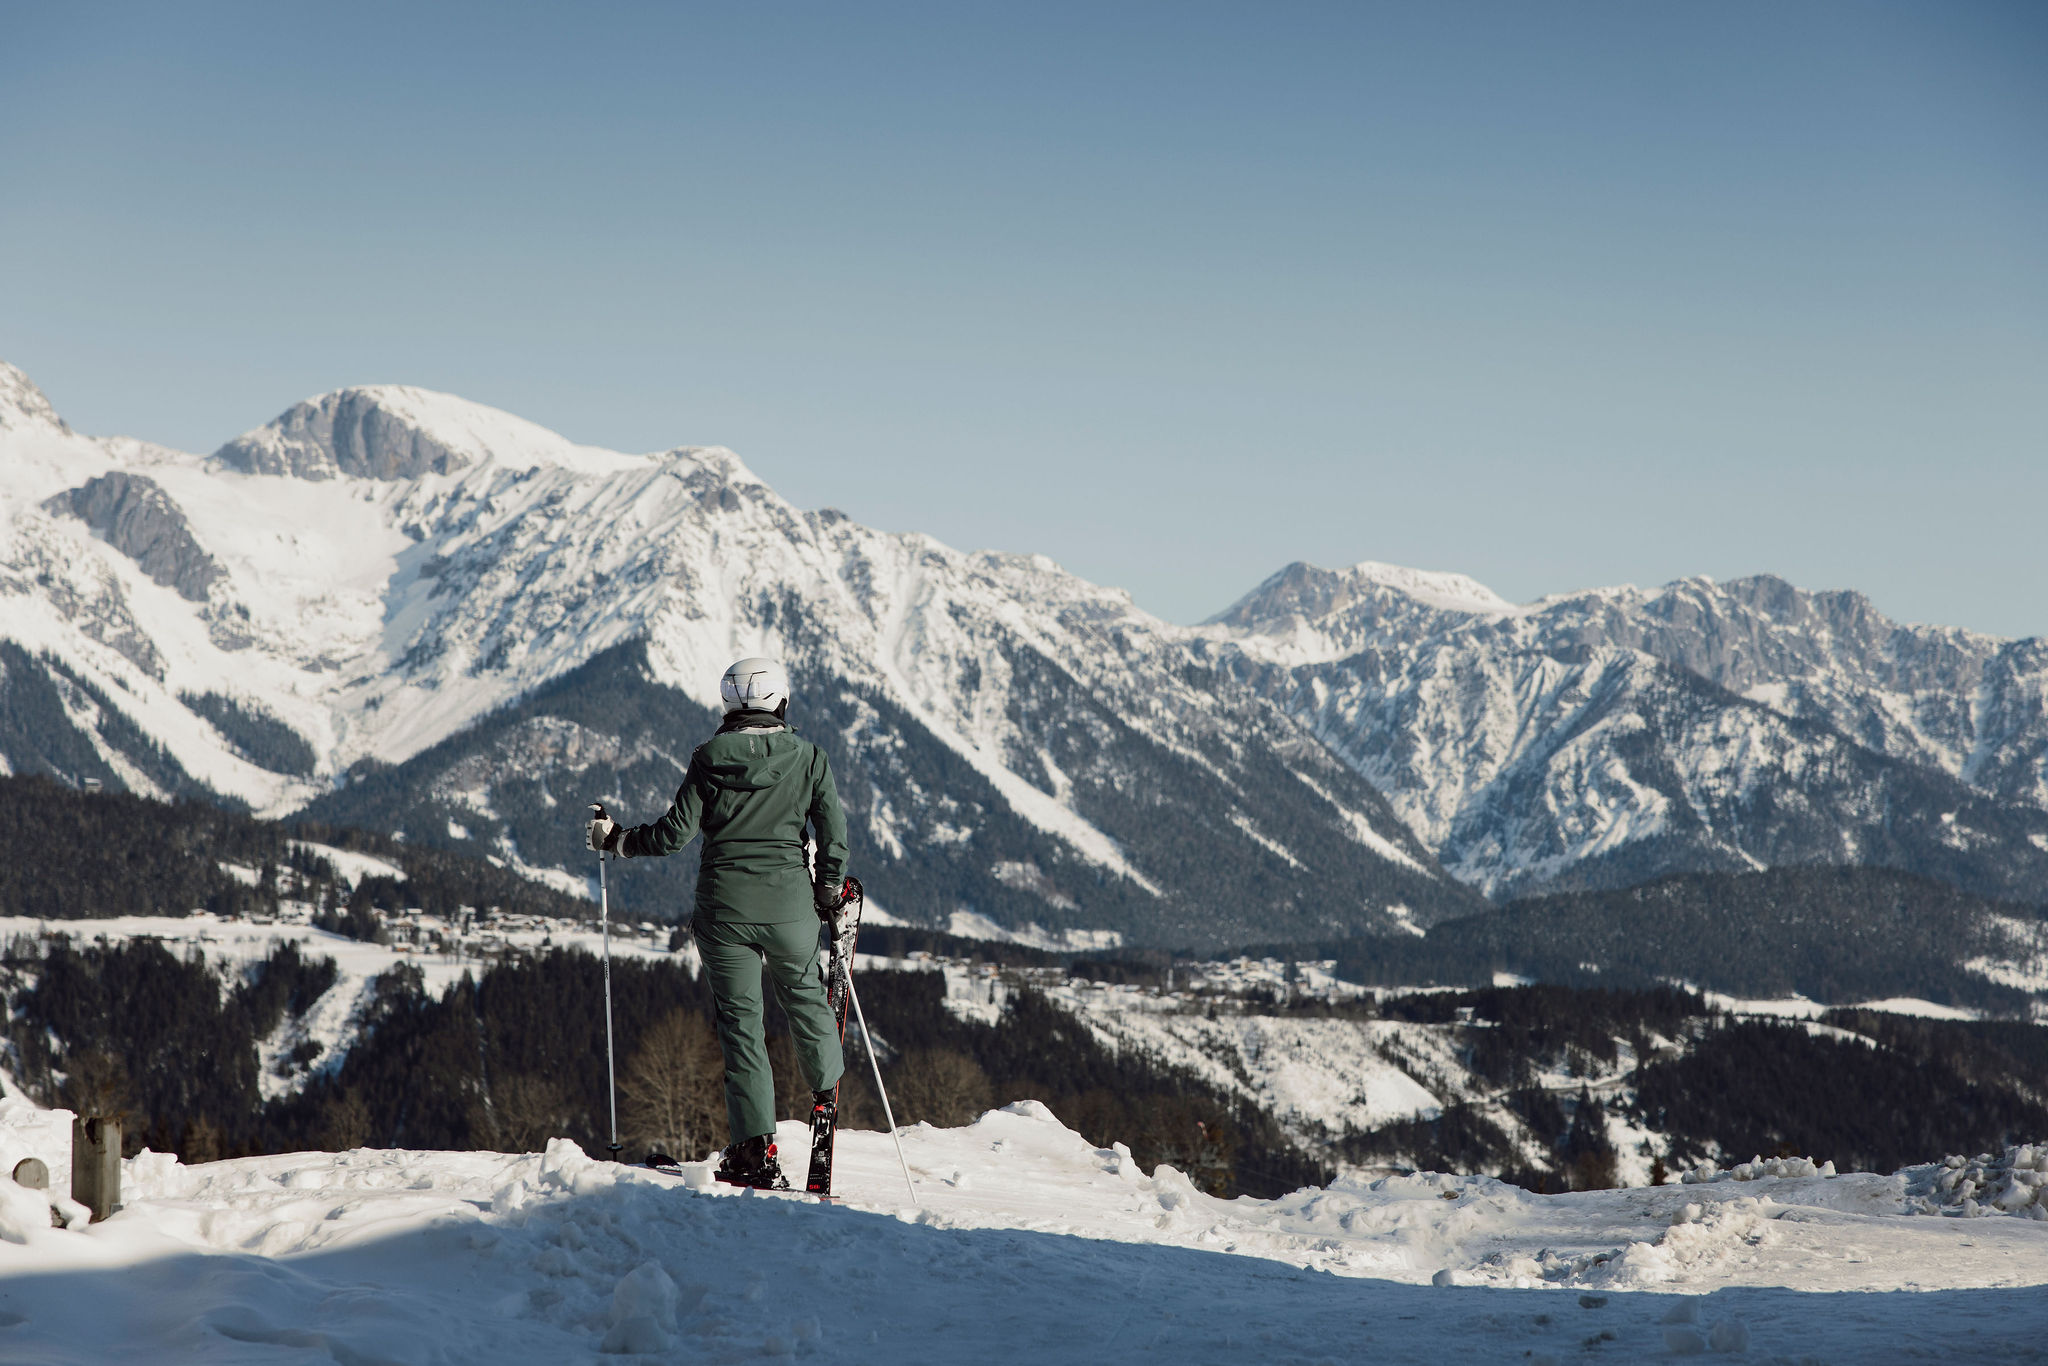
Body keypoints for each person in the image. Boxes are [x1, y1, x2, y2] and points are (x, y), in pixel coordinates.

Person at [585, 656, 850, 1189]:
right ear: (781, 701)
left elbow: (672, 836)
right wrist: (826, 894)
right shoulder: (811, 758)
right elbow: (834, 835)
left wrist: (616, 839)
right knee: (805, 996)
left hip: (724, 911)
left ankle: (754, 1150)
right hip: (790, 907)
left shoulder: (708, 759)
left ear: (728, 704)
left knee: (742, 1027)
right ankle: (826, 1089)